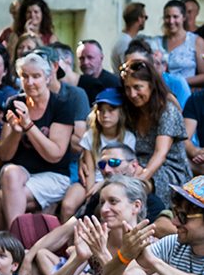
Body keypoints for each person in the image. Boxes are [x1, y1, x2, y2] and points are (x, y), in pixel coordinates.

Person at [0, 51, 75, 229]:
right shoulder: (15, 103)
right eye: (25, 76)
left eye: (36, 76)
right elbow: (5, 155)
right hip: (20, 175)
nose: (30, 82)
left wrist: (28, 126)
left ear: (47, 77)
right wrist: (16, 131)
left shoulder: (62, 105)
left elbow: (55, 155)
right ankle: (18, 242)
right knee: (10, 172)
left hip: (54, 175)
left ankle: (14, 243)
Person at [121, 57, 191, 203]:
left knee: (133, 190)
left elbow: (161, 154)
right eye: (128, 88)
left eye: (137, 87)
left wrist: (139, 179)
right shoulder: (132, 111)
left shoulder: (167, 111)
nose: (132, 94)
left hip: (169, 170)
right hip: (138, 165)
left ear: (151, 86)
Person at [62, 88, 135, 220]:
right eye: (101, 110)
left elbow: (125, 169)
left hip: (116, 180)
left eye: (111, 110)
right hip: (90, 182)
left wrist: (101, 186)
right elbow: (89, 169)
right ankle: (68, 239)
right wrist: (91, 194)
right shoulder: (90, 136)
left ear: (121, 112)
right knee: (68, 205)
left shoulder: (128, 137)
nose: (105, 115)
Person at [162, 0, 204, 88]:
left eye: (175, 17)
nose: (171, 21)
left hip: (186, 95)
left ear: (183, 17)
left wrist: (179, 81)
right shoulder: (157, 42)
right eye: (167, 17)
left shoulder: (196, 41)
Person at [76, 39, 121, 104]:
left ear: (101, 58)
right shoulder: (77, 84)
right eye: (81, 58)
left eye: (90, 57)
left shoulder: (114, 84)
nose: (85, 62)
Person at [111, 2, 147, 71]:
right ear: (140, 19)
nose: (145, 20)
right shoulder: (125, 42)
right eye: (145, 17)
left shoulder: (124, 39)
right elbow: (129, 69)